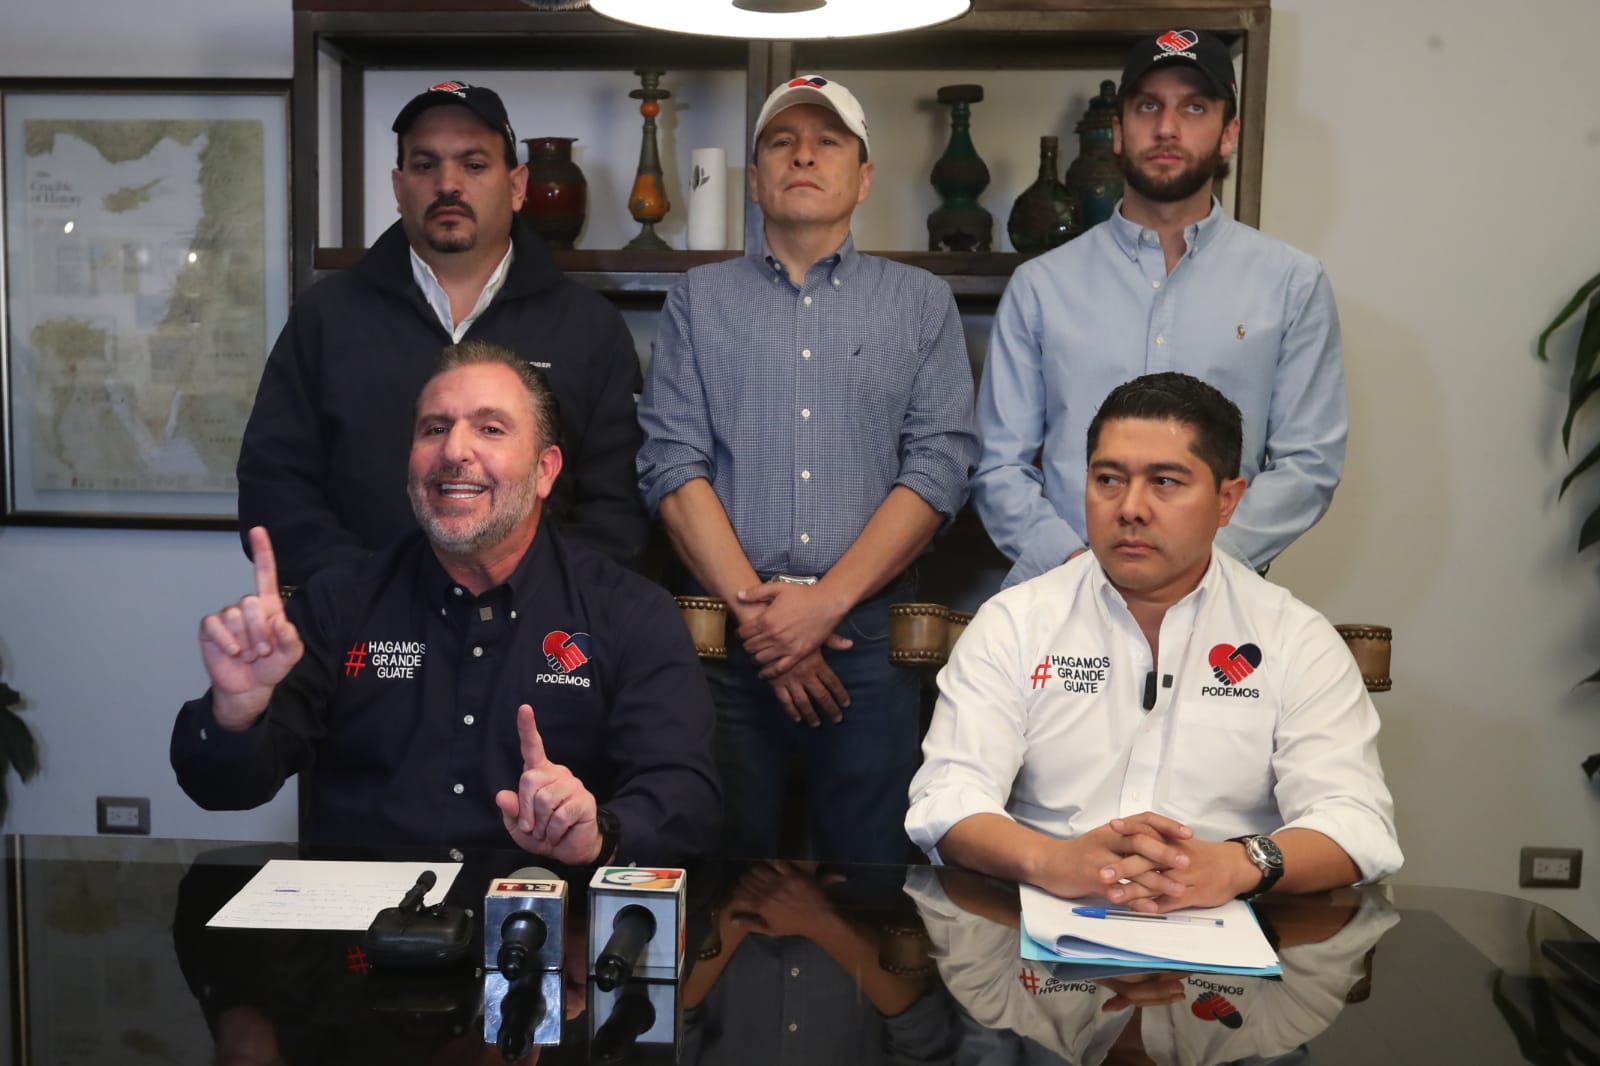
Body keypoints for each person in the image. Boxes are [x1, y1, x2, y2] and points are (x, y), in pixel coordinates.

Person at [175, 341, 719, 863]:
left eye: (490, 428)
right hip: (361, 941)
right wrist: (236, 714)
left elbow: (686, 797)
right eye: (435, 428)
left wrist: (600, 832)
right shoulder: (340, 604)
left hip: (545, 933)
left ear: (545, 470)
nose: (454, 450)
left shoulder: (627, 613)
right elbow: (220, 789)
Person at [636, 75, 978, 863]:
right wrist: (767, 623)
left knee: (873, 882)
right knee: (718, 877)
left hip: (868, 638)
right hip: (726, 637)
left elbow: (939, 465)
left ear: (862, 177)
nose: (803, 155)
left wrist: (822, 606)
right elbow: (670, 461)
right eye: (782, 142)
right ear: (754, 179)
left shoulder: (922, 303)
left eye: (828, 141)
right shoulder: (696, 300)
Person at [906, 373, 1400, 909]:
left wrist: (1239, 864)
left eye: (1165, 481)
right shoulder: (1014, 622)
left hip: (1233, 935)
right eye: (1109, 479)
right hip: (1040, 924)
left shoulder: (1295, 638)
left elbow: (1358, 823)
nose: (1131, 508)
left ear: (1227, 500)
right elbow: (947, 798)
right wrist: (1050, 860)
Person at [238, 79, 648, 586]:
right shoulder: (326, 317)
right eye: (425, 164)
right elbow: (273, 486)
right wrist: (365, 594)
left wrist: (535, 601)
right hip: (357, 632)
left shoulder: (588, 326)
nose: (447, 184)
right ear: (398, 186)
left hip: (537, 638)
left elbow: (618, 506)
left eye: (473, 165)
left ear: (518, 186)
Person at [974, 30, 1346, 588]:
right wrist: (1076, 571)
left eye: (1194, 107)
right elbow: (999, 464)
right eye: (1149, 106)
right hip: (1058, 601)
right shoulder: (1042, 286)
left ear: (1229, 134)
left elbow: (1308, 462)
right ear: (1119, 132)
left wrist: (1203, 567)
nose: (1168, 127)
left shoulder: (1291, 283)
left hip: (1222, 604)